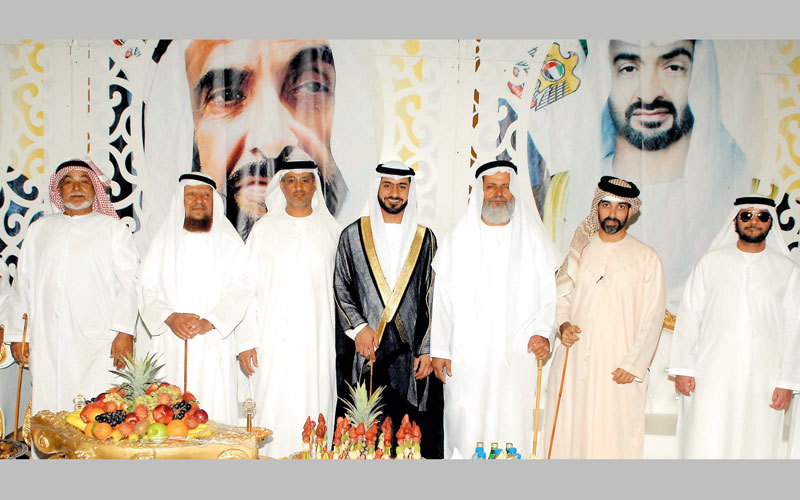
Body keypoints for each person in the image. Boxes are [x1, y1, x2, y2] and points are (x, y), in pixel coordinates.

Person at [145, 39, 353, 241]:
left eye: (311, 87)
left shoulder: (340, 239)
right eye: (227, 95)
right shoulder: (176, 249)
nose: (271, 144)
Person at [430, 159, 559, 459]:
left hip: (515, 356)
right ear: (480, 191)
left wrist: (543, 332)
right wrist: (440, 349)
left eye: (505, 187)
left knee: (511, 427)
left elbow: (548, 296)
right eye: (491, 187)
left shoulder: (533, 239)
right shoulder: (457, 240)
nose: (499, 194)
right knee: (466, 428)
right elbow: (442, 301)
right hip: (467, 357)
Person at [3, 158, 139, 422]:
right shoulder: (40, 229)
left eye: (84, 181)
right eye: (69, 182)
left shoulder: (112, 229)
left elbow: (130, 283)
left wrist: (124, 332)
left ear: (95, 189)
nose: (76, 188)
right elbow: (23, 284)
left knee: (97, 412)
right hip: (48, 338)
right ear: (59, 190)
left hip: (98, 340)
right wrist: (19, 334)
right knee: (50, 406)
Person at [668, 195, 800, 458]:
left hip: (764, 379)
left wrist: (786, 381)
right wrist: (683, 369)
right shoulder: (710, 262)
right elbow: (690, 316)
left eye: (762, 216)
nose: (754, 221)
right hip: (711, 375)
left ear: (771, 223)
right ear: (735, 221)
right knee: (706, 440)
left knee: (756, 445)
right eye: (746, 215)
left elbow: (794, 327)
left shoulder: (787, 269)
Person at [544, 176, 665, 458]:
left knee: (613, 441)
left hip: (619, 366)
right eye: (606, 204)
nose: (612, 213)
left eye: (621, 207)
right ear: (596, 207)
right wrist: (564, 324)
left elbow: (653, 315)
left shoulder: (646, 258)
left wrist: (634, 364)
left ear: (631, 212)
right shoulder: (580, 249)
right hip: (576, 361)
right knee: (570, 436)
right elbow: (563, 296)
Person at [333, 161, 443, 458]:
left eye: (402, 186)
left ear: (410, 191)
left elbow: (433, 296)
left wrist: (427, 349)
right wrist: (359, 328)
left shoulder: (425, 239)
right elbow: (341, 286)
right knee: (364, 433)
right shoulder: (352, 235)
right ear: (377, 188)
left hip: (410, 356)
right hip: (366, 350)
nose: (395, 192)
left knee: (407, 434)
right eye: (388, 185)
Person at [237, 159, 340, 458]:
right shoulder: (263, 230)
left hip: (317, 343)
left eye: (305, 179)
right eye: (291, 180)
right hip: (271, 342)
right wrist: (246, 341)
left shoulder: (332, 231)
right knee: (272, 405)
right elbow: (246, 289)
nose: (299, 187)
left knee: (314, 403)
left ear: (315, 185)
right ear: (281, 185)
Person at [138, 172, 251, 426]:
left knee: (214, 416)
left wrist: (209, 322)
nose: (199, 201)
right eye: (192, 195)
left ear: (213, 202)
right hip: (171, 343)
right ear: (181, 200)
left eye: (205, 196)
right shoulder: (162, 243)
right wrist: (170, 318)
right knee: (167, 417)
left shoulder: (229, 242)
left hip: (213, 342)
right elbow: (146, 288)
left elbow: (242, 289)